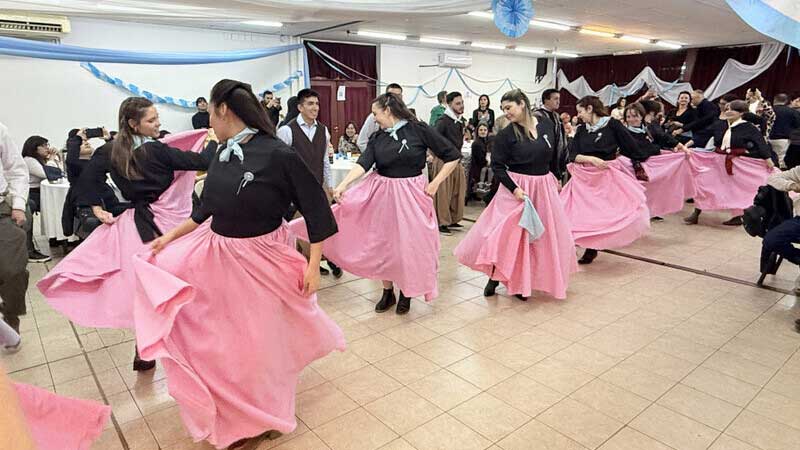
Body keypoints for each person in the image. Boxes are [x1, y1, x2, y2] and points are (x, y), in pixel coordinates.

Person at [132, 79, 344, 449]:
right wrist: (170, 238)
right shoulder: (221, 153)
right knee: (225, 344)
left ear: (223, 110)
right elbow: (206, 210)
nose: (208, 121)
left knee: (261, 346)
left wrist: (313, 264)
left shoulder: (278, 154)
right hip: (219, 257)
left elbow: (316, 209)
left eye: (210, 113)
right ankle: (236, 412)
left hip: (263, 261)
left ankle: (266, 414)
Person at [38, 97, 216, 372]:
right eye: (152, 120)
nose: (158, 124)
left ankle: (144, 350)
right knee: (180, 283)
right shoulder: (157, 152)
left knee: (144, 289)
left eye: (157, 118)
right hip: (169, 225)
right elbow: (204, 160)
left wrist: (96, 206)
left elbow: (86, 179)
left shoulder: (110, 151)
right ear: (134, 124)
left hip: (135, 227)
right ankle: (182, 345)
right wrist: (213, 138)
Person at [295, 92, 461, 316]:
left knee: (408, 246)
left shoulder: (418, 130)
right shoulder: (378, 138)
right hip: (383, 195)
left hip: (411, 196)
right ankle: (387, 291)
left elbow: (452, 155)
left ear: (388, 110)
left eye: (375, 113)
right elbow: (364, 163)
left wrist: (435, 184)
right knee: (384, 244)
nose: (373, 118)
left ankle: (406, 292)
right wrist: (343, 184)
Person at [455, 89, 577, 301]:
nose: (506, 112)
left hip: (543, 188)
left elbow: (554, 155)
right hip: (516, 189)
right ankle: (494, 276)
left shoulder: (546, 126)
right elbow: (498, 167)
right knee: (508, 238)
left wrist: (556, 177)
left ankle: (524, 281)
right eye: (503, 109)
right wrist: (515, 189)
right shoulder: (506, 135)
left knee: (537, 238)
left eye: (509, 108)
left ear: (523, 104)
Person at [563, 95, 652, 265]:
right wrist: (592, 160)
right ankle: (577, 244)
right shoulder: (582, 129)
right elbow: (572, 154)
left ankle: (592, 247)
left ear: (590, 109)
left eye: (580, 111)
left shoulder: (612, 125)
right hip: (585, 179)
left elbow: (632, 147)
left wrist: (648, 155)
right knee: (575, 211)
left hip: (605, 178)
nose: (579, 115)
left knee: (602, 213)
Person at [277, 88, 342, 277]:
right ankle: (302, 272)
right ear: (300, 107)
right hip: (295, 191)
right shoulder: (286, 131)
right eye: (310, 104)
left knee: (320, 230)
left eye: (317, 104)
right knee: (301, 232)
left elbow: (324, 162)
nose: (315, 108)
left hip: (319, 188)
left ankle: (316, 266)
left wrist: (329, 187)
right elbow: (279, 164)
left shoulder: (323, 130)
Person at [685, 100, 773, 226]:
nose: (728, 112)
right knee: (705, 184)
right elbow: (703, 135)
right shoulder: (720, 124)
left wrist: (768, 160)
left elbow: (761, 144)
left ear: (741, 113)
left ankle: (738, 216)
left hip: (737, 162)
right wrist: (687, 145)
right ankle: (696, 213)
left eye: (733, 109)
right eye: (727, 109)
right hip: (716, 160)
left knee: (736, 189)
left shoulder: (749, 128)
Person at [0, 121, 29, 345]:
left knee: (14, 269)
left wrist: (18, 204)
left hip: (1, 208)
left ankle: (10, 313)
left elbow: (16, 170)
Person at [433, 91, 468, 234]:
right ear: (449, 104)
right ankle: (442, 222)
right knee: (443, 193)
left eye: (462, 103)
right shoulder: (443, 121)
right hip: (444, 161)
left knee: (457, 191)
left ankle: (453, 218)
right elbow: (434, 140)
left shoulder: (459, 120)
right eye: (458, 104)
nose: (461, 106)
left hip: (456, 160)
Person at [21, 136, 59, 262]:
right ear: (34, 147)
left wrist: (53, 160)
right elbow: (48, 174)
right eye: (44, 145)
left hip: (40, 192)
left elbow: (58, 173)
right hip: (32, 194)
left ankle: (59, 238)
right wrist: (52, 159)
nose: (47, 148)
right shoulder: (29, 160)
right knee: (57, 203)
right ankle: (30, 250)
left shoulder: (40, 160)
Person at [357, 83, 404, 152]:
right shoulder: (374, 117)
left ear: (402, 97)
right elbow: (362, 142)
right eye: (391, 96)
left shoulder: (406, 117)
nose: (394, 99)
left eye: (398, 96)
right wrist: (374, 157)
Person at [534, 89, 568, 180]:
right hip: (544, 159)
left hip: (556, 156)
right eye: (555, 99)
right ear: (546, 100)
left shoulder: (557, 116)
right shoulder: (537, 116)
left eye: (559, 99)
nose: (558, 102)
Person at [769, 93, 800, 168]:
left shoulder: (768, 110)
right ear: (787, 101)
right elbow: (797, 125)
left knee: (769, 159)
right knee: (781, 161)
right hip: (783, 139)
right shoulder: (792, 112)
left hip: (767, 138)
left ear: (774, 100)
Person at [467, 123, 491, 202]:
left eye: (485, 130)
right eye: (481, 130)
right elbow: (480, 161)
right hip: (478, 168)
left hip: (483, 165)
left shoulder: (487, 142)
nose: (483, 132)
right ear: (477, 131)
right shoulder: (476, 144)